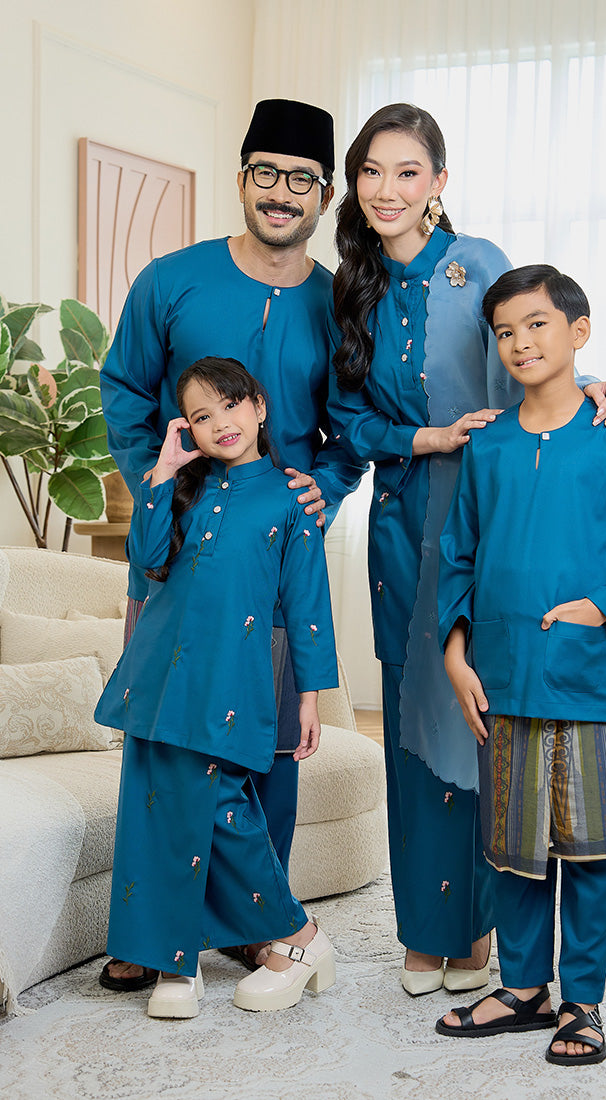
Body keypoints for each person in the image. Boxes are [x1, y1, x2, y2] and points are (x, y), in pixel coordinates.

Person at [328, 103, 606, 995]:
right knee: (413, 730)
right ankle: (428, 934)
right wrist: (423, 439)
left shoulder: (480, 265)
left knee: (484, 719)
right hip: (403, 522)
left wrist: (604, 384)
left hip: (496, 512)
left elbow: (537, 356)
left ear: (439, 182)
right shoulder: (350, 286)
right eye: (372, 173)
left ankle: (488, 938)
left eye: (408, 172)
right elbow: (346, 421)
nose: (387, 190)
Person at [98, 98, 364, 990]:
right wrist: (156, 483)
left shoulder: (337, 304)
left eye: (302, 179)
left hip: (273, 559)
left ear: (324, 195)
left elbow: (352, 426)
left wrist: (317, 489)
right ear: (242, 176)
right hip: (176, 558)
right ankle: (152, 934)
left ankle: (257, 930)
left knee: (267, 750)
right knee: (163, 749)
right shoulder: (171, 280)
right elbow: (127, 388)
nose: (282, 193)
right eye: (266, 173)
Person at [435, 265, 606, 1063]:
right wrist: (454, 653)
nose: (520, 343)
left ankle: (582, 1000)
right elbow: (458, 555)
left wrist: (603, 607)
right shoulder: (490, 444)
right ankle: (522, 988)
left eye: (537, 325)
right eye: (506, 332)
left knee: (589, 847)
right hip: (500, 672)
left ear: (577, 332)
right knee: (513, 843)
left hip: (584, 674)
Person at [95, 357, 339, 1018]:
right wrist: (162, 474)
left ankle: (300, 935)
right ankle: (176, 963)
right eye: (201, 416)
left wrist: (311, 699)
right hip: (157, 676)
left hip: (229, 679)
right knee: (155, 807)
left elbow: (307, 604)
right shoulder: (183, 488)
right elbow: (146, 562)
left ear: (259, 406)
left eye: (230, 406)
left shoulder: (292, 498)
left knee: (221, 804)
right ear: (188, 429)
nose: (219, 424)